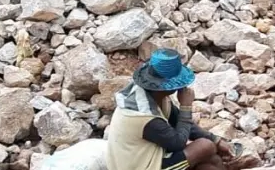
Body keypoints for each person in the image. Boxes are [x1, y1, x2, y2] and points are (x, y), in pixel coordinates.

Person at [106, 49, 256, 170]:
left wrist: (216, 140)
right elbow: (177, 142)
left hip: (149, 156)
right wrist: (186, 106)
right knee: (205, 147)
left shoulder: (154, 96)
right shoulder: (143, 116)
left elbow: (180, 121)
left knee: (211, 159)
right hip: (139, 165)